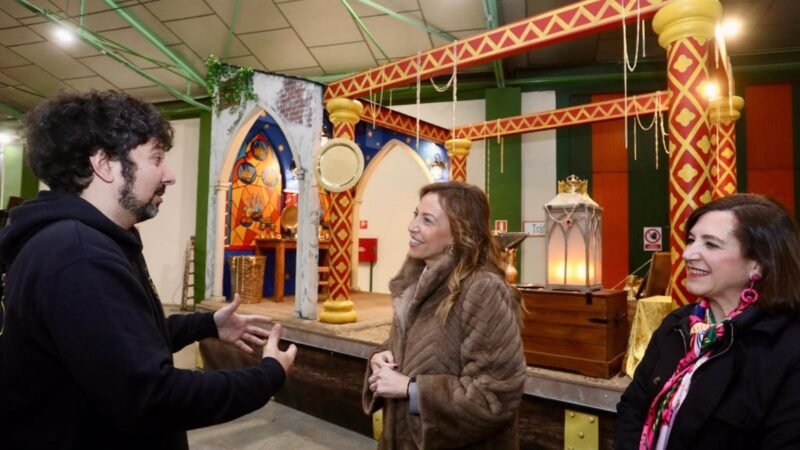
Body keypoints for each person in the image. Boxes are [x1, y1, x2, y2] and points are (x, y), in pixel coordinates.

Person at [0, 90, 297, 450]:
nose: (169, 175)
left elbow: (118, 343)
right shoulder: (79, 256)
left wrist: (206, 325)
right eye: (156, 158)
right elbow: (153, 397)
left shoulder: (90, 241)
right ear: (104, 164)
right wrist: (268, 376)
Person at [616, 194, 800, 450]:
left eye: (711, 244)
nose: (688, 254)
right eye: (691, 240)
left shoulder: (786, 346)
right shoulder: (676, 326)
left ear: (757, 264)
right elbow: (633, 407)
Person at [363, 181, 526, 449]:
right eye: (415, 214)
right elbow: (417, 349)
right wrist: (381, 357)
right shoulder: (415, 281)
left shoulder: (482, 288)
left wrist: (410, 389)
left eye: (427, 220)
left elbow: (495, 395)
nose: (412, 226)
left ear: (457, 234)